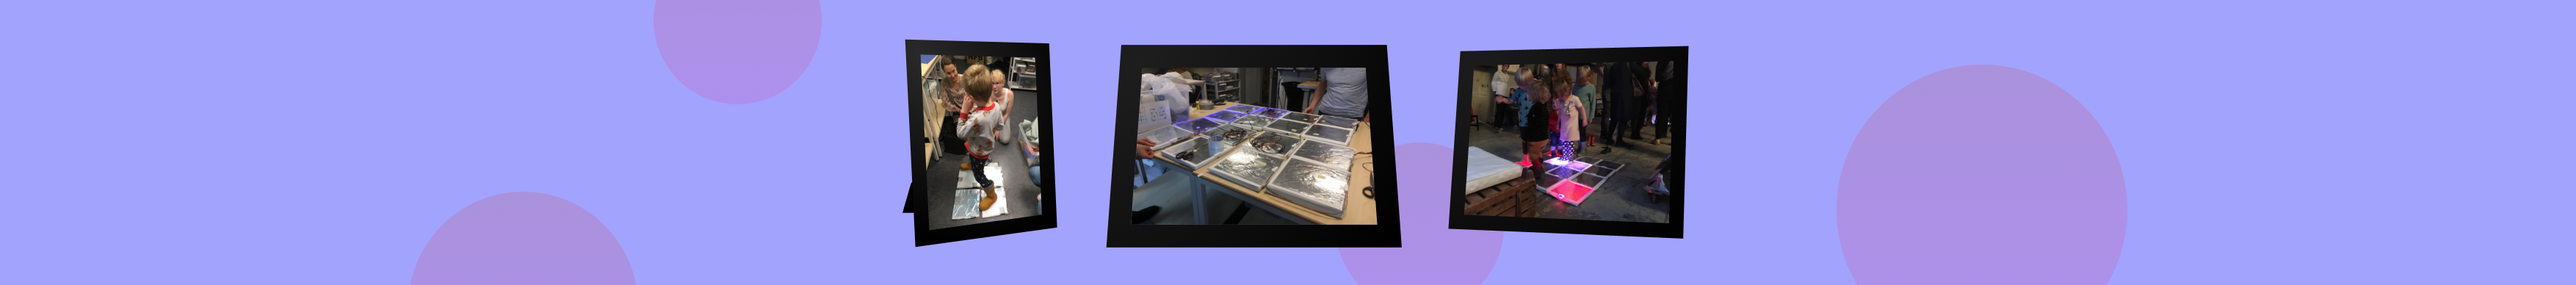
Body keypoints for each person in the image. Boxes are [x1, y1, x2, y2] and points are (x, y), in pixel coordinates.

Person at [956, 65, 1007, 198]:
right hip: (986, 146)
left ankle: (991, 195)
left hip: (979, 152)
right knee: (973, 158)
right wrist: (988, 127)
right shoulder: (996, 106)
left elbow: (961, 133)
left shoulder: (976, 119)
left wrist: (964, 112)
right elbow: (1001, 127)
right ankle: (971, 163)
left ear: (972, 97)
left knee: (979, 175)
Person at [1303, 68, 1369, 121]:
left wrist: (1368, 117)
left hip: (1353, 115)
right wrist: (1312, 106)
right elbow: (1322, 85)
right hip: (1325, 112)